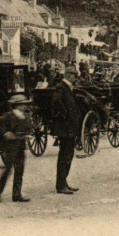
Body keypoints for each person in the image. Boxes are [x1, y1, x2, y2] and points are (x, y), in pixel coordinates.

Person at [0, 94, 33, 203]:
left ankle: (16, 195)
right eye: (23, 104)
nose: (25, 106)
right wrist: (5, 132)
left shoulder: (24, 116)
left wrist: (27, 134)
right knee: (8, 169)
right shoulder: (8, 116)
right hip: (10, 147)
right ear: (18, 106)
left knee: (19, 170)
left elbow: (27, 129)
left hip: (20, 145)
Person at [52, 65, 81, 194]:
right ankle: (60, 185)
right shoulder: (61, 87)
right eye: (74, 76)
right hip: (65, 129)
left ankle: (64, 183)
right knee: (64, 156)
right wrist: (66, 117)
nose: (76, 78)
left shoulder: (67, 88)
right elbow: (56, 103)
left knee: (68, 155)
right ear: (69, 75)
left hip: (69, 128)